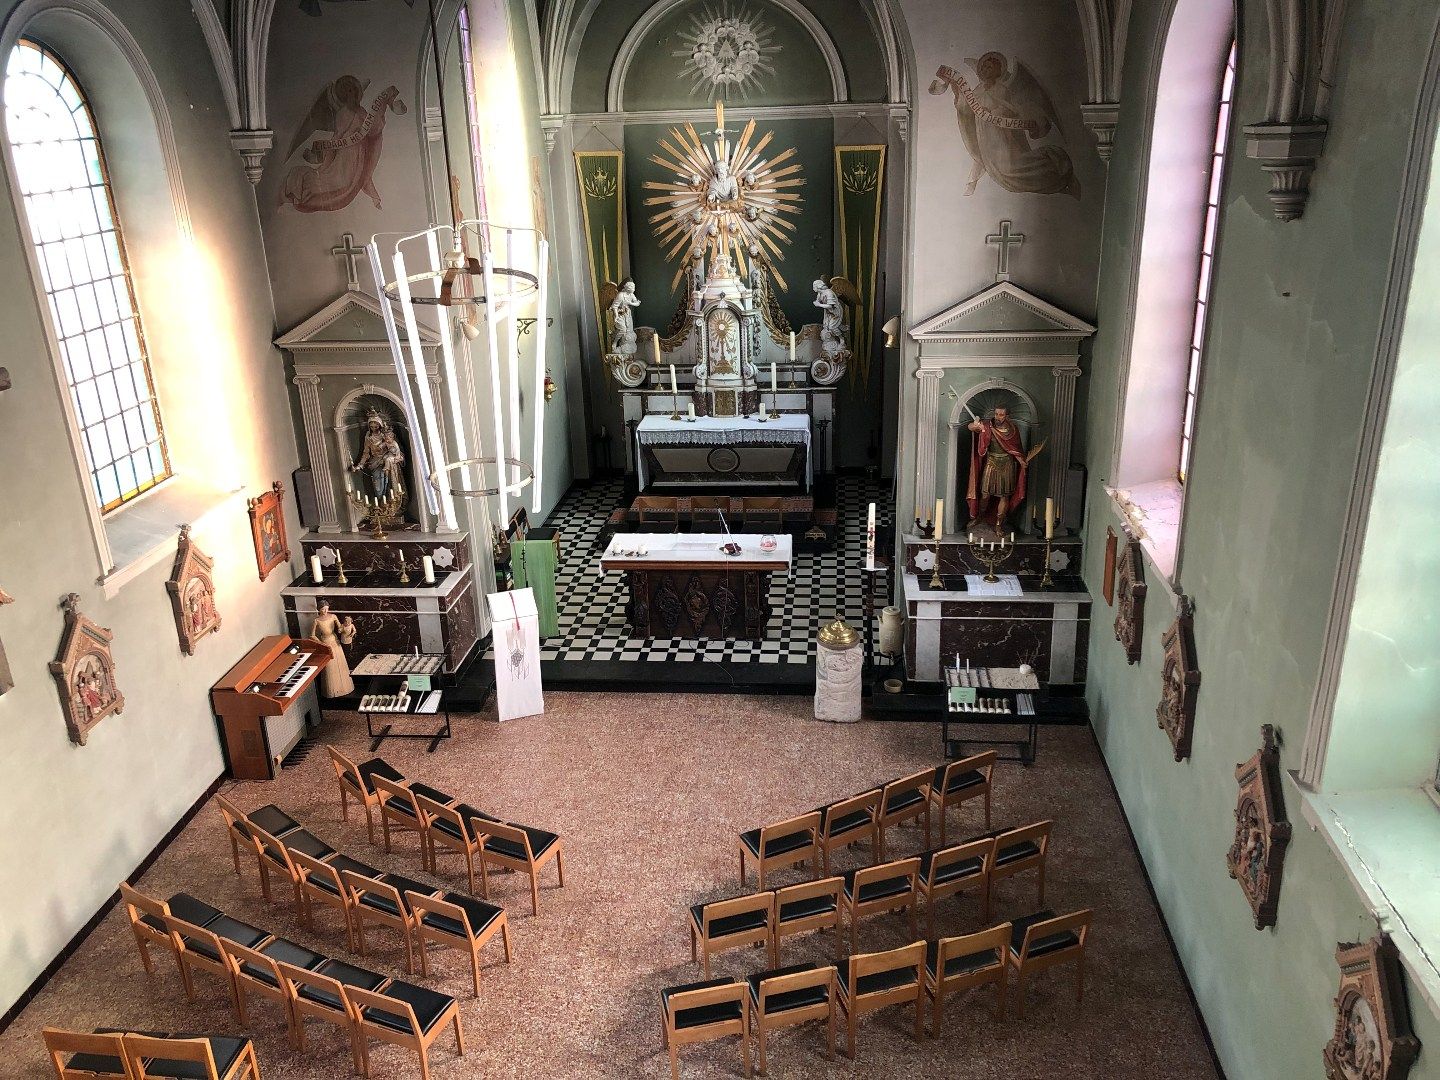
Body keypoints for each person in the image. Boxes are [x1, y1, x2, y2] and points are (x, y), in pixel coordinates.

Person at [966, 405, 1029, 529]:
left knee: (1004, 496)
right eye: (996, 414)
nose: (998, 417)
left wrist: (1022, 461)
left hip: (1007, 465)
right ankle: (980, 517)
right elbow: (971, 427)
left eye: (1001, 415)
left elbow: (1016, 449)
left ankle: (999, 524)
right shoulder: (988, 426)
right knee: (985, 494)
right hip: (991, 462)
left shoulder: (1013, 430)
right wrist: (976, 425)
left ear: (1007, 416)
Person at [352, 409, 405, 503]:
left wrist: (393, 455)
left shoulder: (386, 434)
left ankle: (393, 504)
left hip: (389, 461)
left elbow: (395, 447)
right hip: (375, 463)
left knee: (391, 484)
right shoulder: (368, 437)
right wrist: (360, 465)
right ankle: (381, 504)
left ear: (379, 425)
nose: (374, 428)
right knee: (378, 486)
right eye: (371, 426)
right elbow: (366, 453)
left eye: (376, 425)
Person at [310, 600, 358, 698]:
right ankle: (332, 690)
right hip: (326, 642)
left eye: (327, 609)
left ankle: (345, 687)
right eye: (323, 609)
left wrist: (347, 626)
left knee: (340, 663)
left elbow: (340, 628)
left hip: (335, 640)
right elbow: (312, 635)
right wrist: (321, 643)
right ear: (319, 610)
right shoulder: (317, 620)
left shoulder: (333, 616)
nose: (325, 611)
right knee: (330, 666)